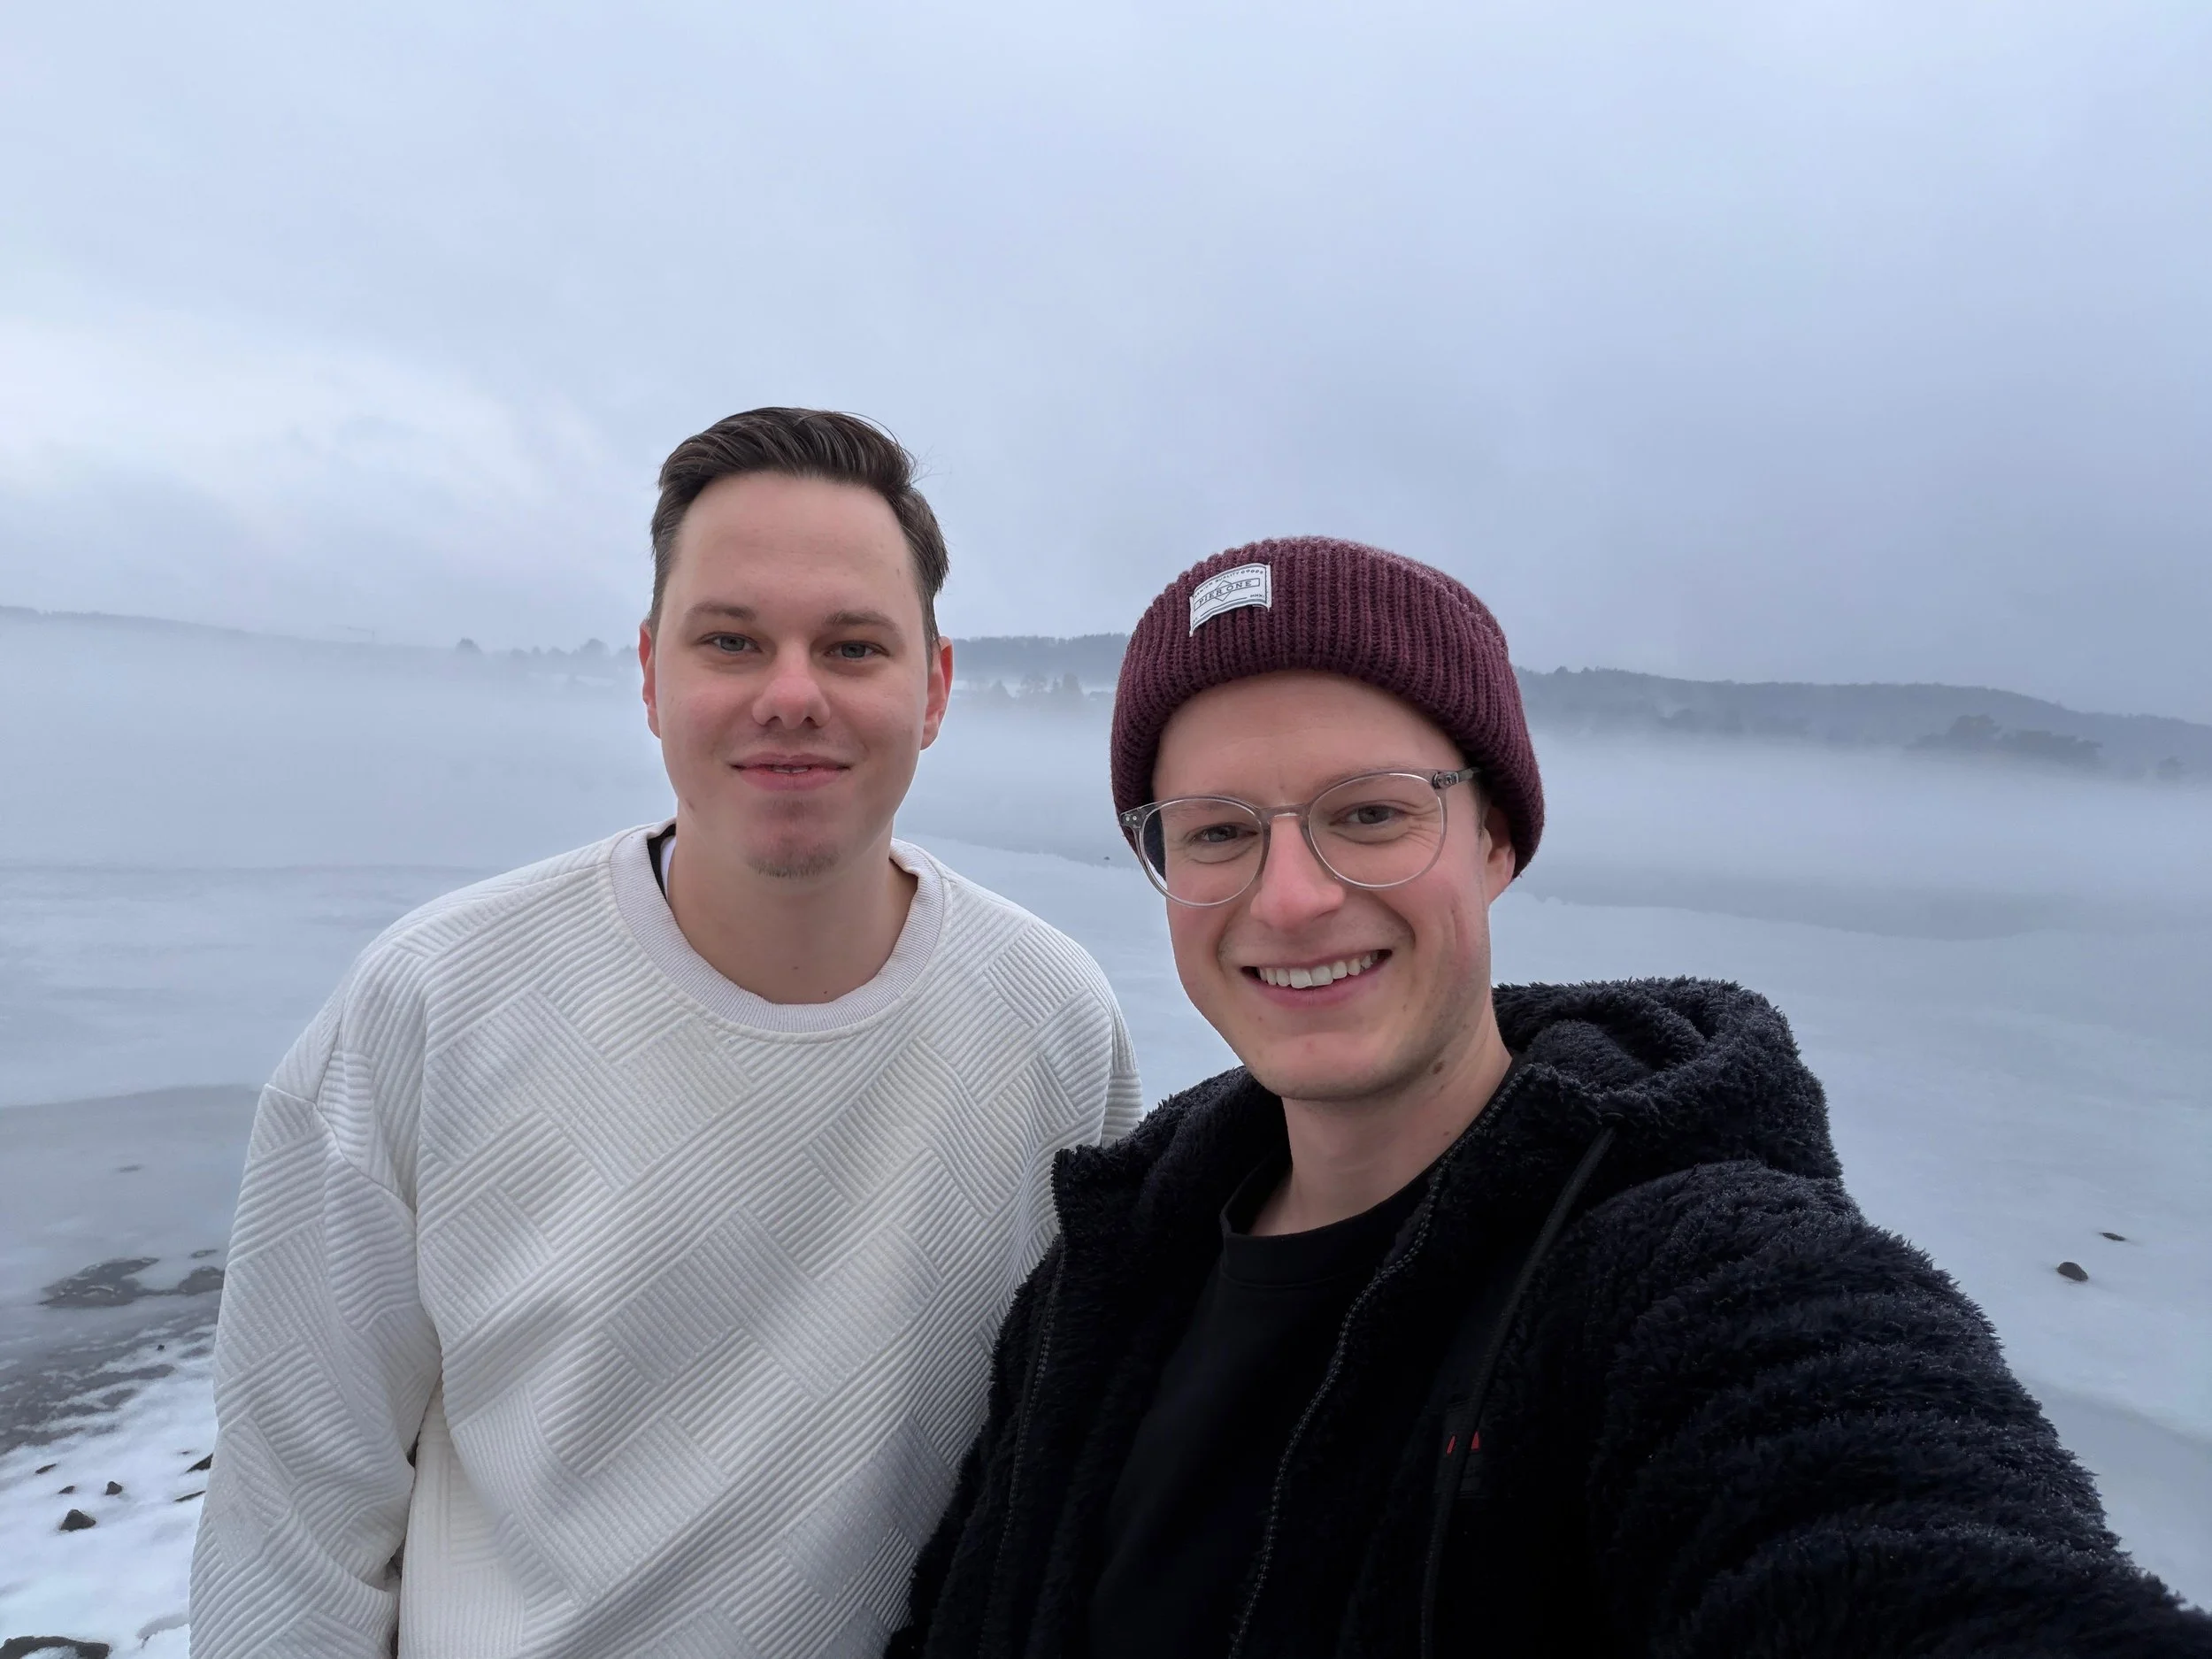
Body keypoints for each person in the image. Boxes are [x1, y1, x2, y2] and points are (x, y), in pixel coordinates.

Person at [892, 536, 2211, 1657]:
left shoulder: (1693, 1277)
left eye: (1371, 814)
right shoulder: (1109, 1270)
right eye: (1219, 831)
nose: (1288, 898)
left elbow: (1899, 1541)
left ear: (1498, 839)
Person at [189, 408, 1141, 1658]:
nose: (791, 694)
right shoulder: (433, 1004)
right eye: (731, 640)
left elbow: (1092, 1458)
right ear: (649, 674)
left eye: (853, 646)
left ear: (936, 687)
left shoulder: (1050, 1018)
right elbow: (291, 1517)